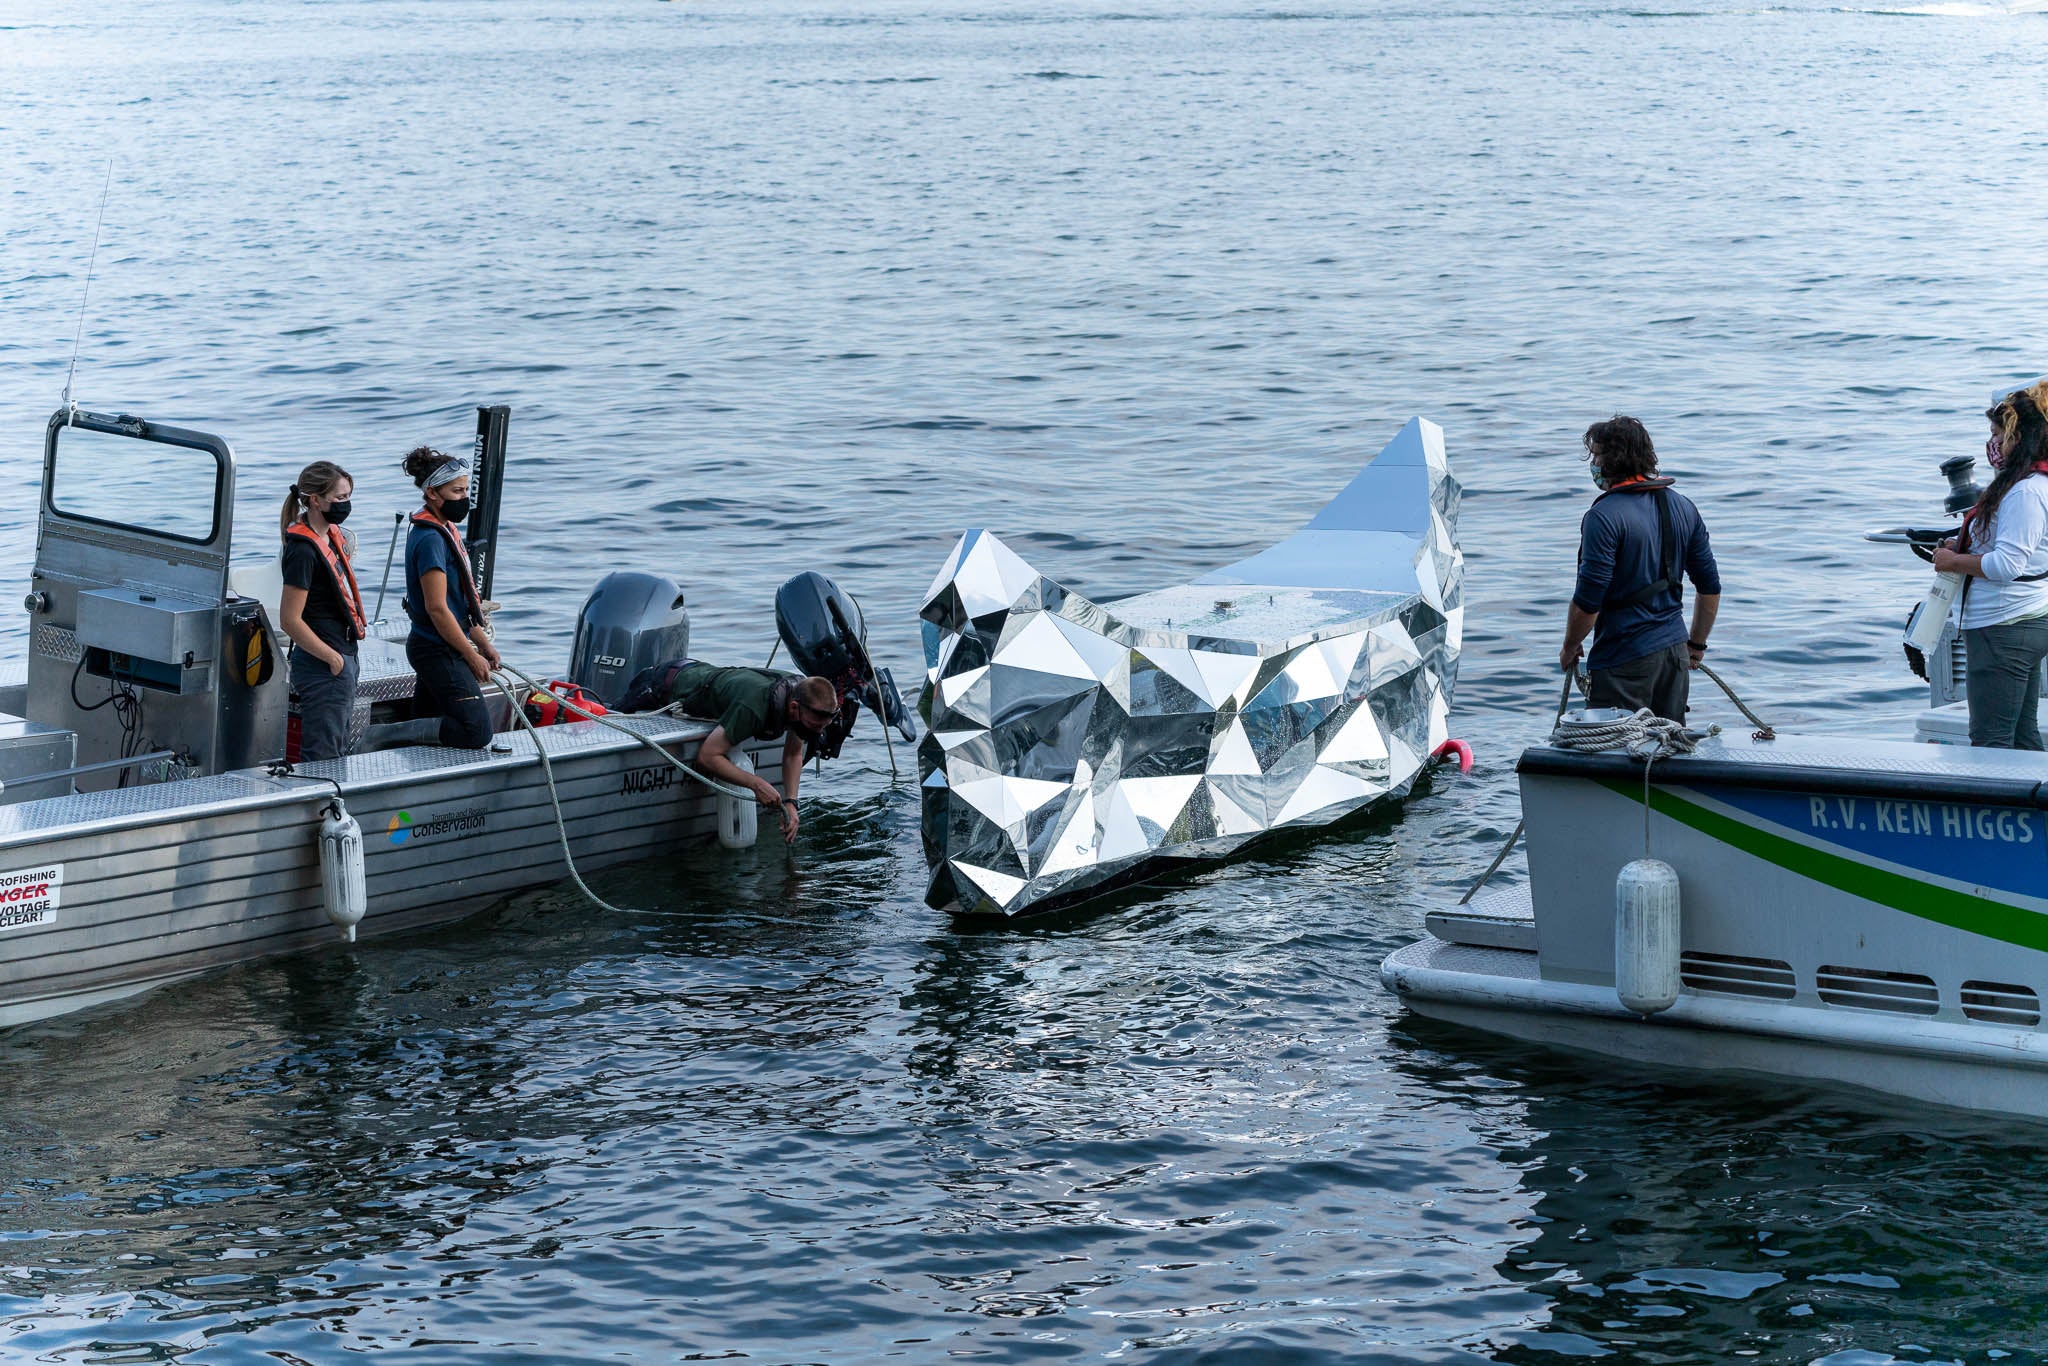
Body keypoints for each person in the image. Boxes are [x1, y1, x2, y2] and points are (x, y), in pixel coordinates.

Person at [1558, 416, 1722, 723]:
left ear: (1611, 460)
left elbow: (1589, 600)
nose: (1593, 463)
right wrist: (1696, 645)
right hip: (1674, 656)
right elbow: (1710, 587)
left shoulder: (1603, 517)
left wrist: (1570, 645)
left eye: (1596, 456)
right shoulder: (1684, 507)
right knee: (1668, 751)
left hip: (1623, 660)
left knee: (1616, 753)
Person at [1933, 383, 2048, 749]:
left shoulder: (2026, 491)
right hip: (2023, 619)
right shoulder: (2030, 484)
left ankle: (1997, 804)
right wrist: (1964, 547)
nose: (1992, 442)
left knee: (1991, 739)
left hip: (2004, 627)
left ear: (2018, 437)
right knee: (2021, 734)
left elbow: (2007, 564)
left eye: (1997, 433)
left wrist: (1952, 561)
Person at [618, 660, 839, 842]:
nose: (817, 733)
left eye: (823, 727)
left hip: (700, 671)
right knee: (605, 716)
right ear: (793, 708)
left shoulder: (800, 697)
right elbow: (707, 756)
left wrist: (791, 803)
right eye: (814, 726)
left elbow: (793, 753)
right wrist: (756, 784)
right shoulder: (754, 707)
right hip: (661, 684)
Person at [400, 446, 499, 749]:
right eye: (456, 491)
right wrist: (470, 656)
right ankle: (389, 736)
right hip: (435, 649)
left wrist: (483, 643)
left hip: (441, 644)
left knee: (429, 715)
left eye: (466, 489)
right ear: (432, 493)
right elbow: (438, 609)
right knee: (476, 731)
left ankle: (411, 753)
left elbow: (459, 604)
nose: (463, 498)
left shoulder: (445, 530)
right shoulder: (430, 539)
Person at [279, 461, 368, 761]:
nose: (346, 505)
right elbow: (290, 620)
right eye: (339, 498)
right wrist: (333, 660)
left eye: (348, 497)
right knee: (323, 758)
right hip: (323, 664)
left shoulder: (330, 536)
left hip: (342, 653)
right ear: (315, 500)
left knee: (336, 749)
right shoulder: (303, 551)